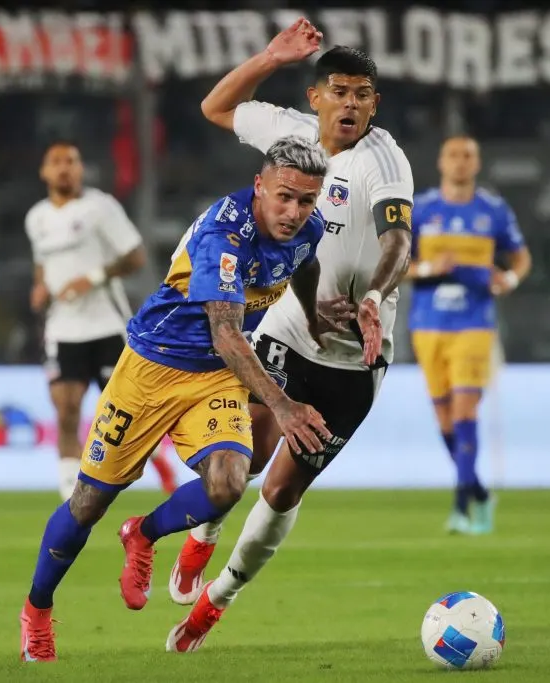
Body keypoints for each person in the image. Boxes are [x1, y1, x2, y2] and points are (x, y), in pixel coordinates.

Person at [18, 136, 339, 663]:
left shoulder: (307, 226)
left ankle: (142, 534)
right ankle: (37, 610)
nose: (294, 212)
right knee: (87, 504)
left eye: (307, 200)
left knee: (229, 482)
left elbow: (303, 263)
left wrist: (313, 315)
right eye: (284, 197)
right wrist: (282, 406)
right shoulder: (223, 238)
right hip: (152, 369)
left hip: (215, 378)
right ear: (260, 186)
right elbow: (228, 336)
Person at [163, 20, 414, 653]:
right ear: (316, 98)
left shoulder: (384, 162)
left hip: (357, 356)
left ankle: (217, 601)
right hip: (285, 325)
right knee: (241, 456)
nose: (351, 104)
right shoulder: (290, 135)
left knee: (281, 489)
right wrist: (271, 57)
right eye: (340, 91)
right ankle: (202, 536)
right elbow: (215, 106)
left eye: (363, 94)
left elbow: (398, 241)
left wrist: (376, 299)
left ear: (374, 104)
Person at [26, 141, 176, 500]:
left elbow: (135, 256)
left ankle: (160, 462)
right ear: (44, 172)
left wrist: (90, 278)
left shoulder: (101, 207)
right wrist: (40, 287)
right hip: (63, 329)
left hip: (107, 326)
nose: (64, 168)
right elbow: (43, 265)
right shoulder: (37, 218)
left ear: (80, 169)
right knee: (65, 409)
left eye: (71, 161)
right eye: (56, 162)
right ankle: (69, 495)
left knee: (124, 413)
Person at [407, 135, 532, 535]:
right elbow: (396, 263)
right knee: (444, 418)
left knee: (464, 412)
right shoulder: (422, 209)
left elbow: (520, 255)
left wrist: (509, 279)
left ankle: (462, 507)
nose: (460, 162)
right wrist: (428, 269)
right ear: (441, 162)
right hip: (427, 325)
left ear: (476, 164)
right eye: (454, 155)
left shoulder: (492, 210)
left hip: (474, 323)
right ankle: (478, 492)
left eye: (468, 156)